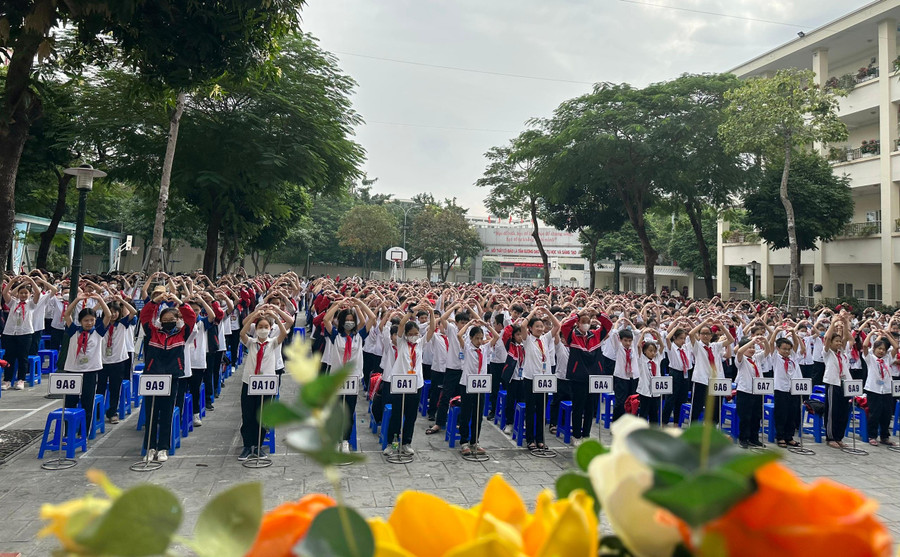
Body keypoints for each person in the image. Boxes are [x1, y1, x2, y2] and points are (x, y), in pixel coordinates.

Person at [139, 291, 197, 463]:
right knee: (151, 413)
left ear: (177, 320)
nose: (168, 321)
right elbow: (145, 315)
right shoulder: (152, 332)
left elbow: (190, 317)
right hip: (152, 376)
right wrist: (155, 301)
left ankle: (163, 447)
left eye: (172, 319)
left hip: (172, 376)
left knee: (167, 412)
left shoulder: (182, 333)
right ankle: (150, 447)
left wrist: (179, 302)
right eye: (165, 319)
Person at [323, 297, 376, 452]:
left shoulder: (359, 336)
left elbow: (372, 318)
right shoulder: (336, 335)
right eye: (346, 320)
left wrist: (359, 305)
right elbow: (326, 319)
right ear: (341, 321)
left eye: (352, 320)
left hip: (352, 379)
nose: (349, 322)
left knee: (349, 410)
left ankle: (345, 440)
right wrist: (338, 305)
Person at [238, 305, 289, 461]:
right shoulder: (251, 343)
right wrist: (255, 314)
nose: (263, 329)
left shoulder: (273, 343)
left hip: (266, 383)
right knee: (248, 415)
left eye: (266, 327)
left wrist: (274, 314)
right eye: (260, 327)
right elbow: (242, 332)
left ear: (270, 328)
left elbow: (284, 332)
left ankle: (259, 446)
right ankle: (247, 446)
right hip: (249, 382)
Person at [385, 305, 435, 456]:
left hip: (415, 384)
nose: (414, 336)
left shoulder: (420, 344)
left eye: (416, 333)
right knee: (396, 415)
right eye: (411, 334)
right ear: (406, 335)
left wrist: (431, 312)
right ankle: (392, 443)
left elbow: (432, 329)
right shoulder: (401, 343)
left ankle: (407, 442)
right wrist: (411, 312)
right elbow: (401, 324)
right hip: (400, 382)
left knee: (411, 415)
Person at [62, 293, 112, 434]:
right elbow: (67, 314)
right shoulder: (73, 331)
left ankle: (84, 432)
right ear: (80, 321)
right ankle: (68, 432)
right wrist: (77, 299)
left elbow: (107, 316)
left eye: (91, 320)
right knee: (70, 402)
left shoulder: (98, 332)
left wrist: (100, 299)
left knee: (87, 402)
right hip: (72, 370)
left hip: (90, 371)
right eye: (85, 320)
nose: (89, 323)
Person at [560, 309, 611, 445]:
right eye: (583, 322)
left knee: (590, 408)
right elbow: (564, 326)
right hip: (578, 377)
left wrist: (598, 314)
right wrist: (578, 314)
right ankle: (576, 435)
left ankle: (586, 434)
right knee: (578, 407)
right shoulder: (572, 335)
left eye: (588, 322)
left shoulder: (596, 335)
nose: (586, 324)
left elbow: (608, 325)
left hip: (594, 378)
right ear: (577, 323)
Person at [457, 318, 499, 455]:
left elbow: (497, 337)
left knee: (478, 414)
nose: (480, 341)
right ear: (471, 338)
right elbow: (459, 335)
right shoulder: (467, 348)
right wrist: (469, 324)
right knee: (466, 413)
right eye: (476, 338)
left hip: (481, 385)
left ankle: (475, 440)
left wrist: (487, 326)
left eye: (481, 338)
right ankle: (464, 441)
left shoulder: (485, 348)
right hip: (467, 384)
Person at [521, 307, 560, 451]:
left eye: (541, 326)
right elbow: (522, 326)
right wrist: (534, 311)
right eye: (536, 326)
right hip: (531, 378)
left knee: (542, 410)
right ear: (531, 328)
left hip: (544, 380)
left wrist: (547, 312)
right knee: (531, 409)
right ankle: (530, 439)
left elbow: (557, 326)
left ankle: (540, 439)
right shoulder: (528, 340)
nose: (539, 328)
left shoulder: (545, 338)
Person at [96, 296, 137, 425]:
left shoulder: (122, 324)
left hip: (118, 360)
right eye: (110, 311)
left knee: (115, 388)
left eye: (115, 311)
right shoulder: (100, 323)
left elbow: (134, 312)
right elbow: (89, 313)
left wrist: (122, 301)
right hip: (101, 361)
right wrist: (101, 301)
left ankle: (112, 412)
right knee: (100, 388)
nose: (113, 314)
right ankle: (97, 412)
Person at [1, 275, 45, 390]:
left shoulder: (31, 304)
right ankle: (7, 380)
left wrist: (31, 281)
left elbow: (38, 293)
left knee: (22, 357)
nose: (23, 295)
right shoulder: (13, 302)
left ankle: (21, 379)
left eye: (26, 293)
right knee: (9, 356)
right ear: (18, 294)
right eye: (21, 293)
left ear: (29, 294)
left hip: (25, 333)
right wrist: (13, 281)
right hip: (10, 332)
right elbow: (5, 293)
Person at [768, 325, 804, 448]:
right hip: (781, 389)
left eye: (788, 349)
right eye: (784, 349)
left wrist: (793, 332)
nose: (786, 351)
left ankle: (789, 436)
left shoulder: (793, 357)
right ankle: (780, 436)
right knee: (781, 413)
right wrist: (776, 331)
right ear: (778, 349)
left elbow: (796, 344)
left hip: (793, 389)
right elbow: (771, 343)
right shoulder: (775, 358)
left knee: (792, 413)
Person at [862, 329, 898, 446]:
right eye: (879, 349)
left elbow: (896, 346)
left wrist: (887, 334)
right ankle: (872, 436)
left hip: (886, 390)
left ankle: (884, 436)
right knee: (874, 413)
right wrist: (871, 333)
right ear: (875, 349)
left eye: (884, 349)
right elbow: (864, 345)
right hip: (874, 389)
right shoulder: (870, 358)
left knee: (886, 414)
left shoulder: (887, 358)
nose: (882, 351)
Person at [823, 312, 853, 449]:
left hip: (845, 384)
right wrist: (833, 323)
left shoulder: (843, 353)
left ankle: (839, 436)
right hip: (833, 383)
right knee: (832, 411)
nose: (839, 343)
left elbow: (847, 337)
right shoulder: (828, 353)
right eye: (837, 341)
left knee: (843, 411)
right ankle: (830, 437)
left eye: (840, 341)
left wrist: (846, 322)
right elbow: (827, 337)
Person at [662, 319, 693, 425]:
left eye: (684, 338)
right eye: (680, 338)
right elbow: (667, 337)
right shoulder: (672, 348)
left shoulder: (686, 347)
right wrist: (677, 325)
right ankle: (664, 422)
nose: (683, 341)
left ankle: (677, 422)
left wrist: (689, 325)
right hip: (675, 373)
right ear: (675, 338)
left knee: (682, 399)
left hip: (685, 374)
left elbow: (693, 335)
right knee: (671, 399)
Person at [635, 328, 664, 424]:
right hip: (645, 391)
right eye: (650, 351)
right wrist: (643, 333)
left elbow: (662, 346)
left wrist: (656, 334)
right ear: (645, 351)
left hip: (655, 391)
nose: (653, 353)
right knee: (643, 413)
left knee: (654, 414)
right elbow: (638, 346)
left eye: (654, 351)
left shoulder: (657, 359)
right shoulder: (642, 360)